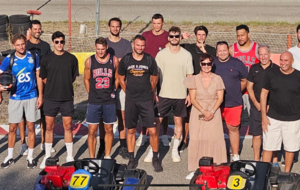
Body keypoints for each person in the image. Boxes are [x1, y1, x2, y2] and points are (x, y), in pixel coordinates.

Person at [118, 35, 163, 172]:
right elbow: (120, 79)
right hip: (131, 100)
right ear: (133, 45)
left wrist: (149, 94)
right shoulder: (126, 59)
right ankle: (132, 158)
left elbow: (154, 80)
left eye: (142, 45)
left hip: (146, 101)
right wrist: (129, 92)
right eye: (138, 45)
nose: (140, 48)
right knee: (131, 130)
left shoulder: (149, 59)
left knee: (153, 130)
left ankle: (156, 158)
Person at [0, 34, 42, 168]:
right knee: (12, 128)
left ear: (26, 43)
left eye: (23, 44)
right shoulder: (9, 59)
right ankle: (10, 156)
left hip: (31, 96)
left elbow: (38, 76)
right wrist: (1, 88)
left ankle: (30, 156)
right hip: (15, 97)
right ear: (14, 46)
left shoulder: (33, 57)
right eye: (18, 45)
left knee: (31, 127)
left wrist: (40, 95)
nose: (21, 47)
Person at [39, 31, 79, 169]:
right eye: (57, 42)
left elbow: (73, 77)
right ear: (53, 43)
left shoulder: (71, 59)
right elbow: (43, 78)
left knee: (68, 126)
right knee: (49, 127)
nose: (60, 44)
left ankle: (69, 156)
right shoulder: (46, 59)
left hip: (67, 98)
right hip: (50, 98)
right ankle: (47, 156)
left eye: (62, 41)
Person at [184, 53, 226, 180]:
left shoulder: (218, 78)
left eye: (209, 64)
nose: (206, 66)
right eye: (204, 64)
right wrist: (204, 111)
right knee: (197, 138)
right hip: (198, 111)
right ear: (200, 64)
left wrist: (212, 111)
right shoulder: (193, 79)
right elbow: (193, 98)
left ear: (212, 64)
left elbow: (220, 98)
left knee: (214, 137)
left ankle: (216, 167)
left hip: (214, 110)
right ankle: (195, 168)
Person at [155, 26, 193, 162]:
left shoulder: (186, 55)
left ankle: (175, 150)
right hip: (163, 94)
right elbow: (155, 75)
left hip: (180, 95)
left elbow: (189, 76)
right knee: (157, 122)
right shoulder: (161, 54)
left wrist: (189, 94)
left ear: (180, 38)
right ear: (168, 37)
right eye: (172, 36)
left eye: (177, 36)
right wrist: (154, 92)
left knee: (178, 122)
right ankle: (154, 150)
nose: (174, 38)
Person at [16, 20, 54, 156]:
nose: (38, 31)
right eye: (35, 29)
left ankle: (44, 142)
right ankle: (23, 143)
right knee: (23, 117)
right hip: (26, 86)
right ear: (30, 30)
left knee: (44, 114)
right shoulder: (25, 46)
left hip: (42, 85)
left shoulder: (45, 46)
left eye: (39, 29)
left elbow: (50, 64)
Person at [261, 51, 300, 172]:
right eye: (281, 60)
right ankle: (263, 174)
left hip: (293, 119)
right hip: (272, 117)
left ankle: (287, 174)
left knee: (290, 148)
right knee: (268, 147)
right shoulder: (271, 73)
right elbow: (263, 94)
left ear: (292, 61)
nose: (283, 63)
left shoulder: (298, 76)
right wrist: (263, 117)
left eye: (286, 60)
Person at [180, 25, 216, 152]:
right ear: (195, 35)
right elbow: (169, 44)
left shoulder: (211, 50)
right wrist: (180, 37)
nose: (201, 37)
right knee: (188, 114)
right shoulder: (188, 48)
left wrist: (204, 50)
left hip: (206, 86)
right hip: (191, 84)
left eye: (203, 35)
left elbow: (213, 64)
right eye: (199, 35)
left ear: (206, 36)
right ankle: (185, 139)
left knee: (203, 113)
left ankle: (201, 139)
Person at [84, 37, 119, 159]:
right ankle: (92, 158)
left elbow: (117, 77)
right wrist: (91, 93)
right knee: (92, 130)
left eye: (102, 49)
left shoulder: (114, 60)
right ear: (95, 47)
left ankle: (107, 156)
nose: (100, 51)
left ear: (106, 48)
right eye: (98, 49)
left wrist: (112, 90)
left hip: (109, 100)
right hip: (95, 100)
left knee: (109, 128)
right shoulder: (90, 61)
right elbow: (86, 79)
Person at [139, 13, 170, 148]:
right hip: (147, 75)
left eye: (159, 23)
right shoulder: (145, 35)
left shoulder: (168, 35)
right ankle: (144, 134)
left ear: (163, 23)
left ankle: (163, 134)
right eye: (154, 23)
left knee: (163, 105)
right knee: (146, 105)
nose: (156, 26)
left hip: (163, 74)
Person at [214, 41, 248, 161]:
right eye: (220, 51)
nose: (222, 53)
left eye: (224, 50)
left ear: (228, 50)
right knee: (215, 129)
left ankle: (235, 155)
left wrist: (236, 91)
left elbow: (244, 80)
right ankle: (217, 153)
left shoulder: (237, 64)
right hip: (216, 104)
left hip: (233, 103)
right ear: (216, 53)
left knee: (233, 129)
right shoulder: (212, 63)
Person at [105, 17, 132, 159]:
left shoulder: (126, 44)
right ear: (109, 27)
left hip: (122, 85)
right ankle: (104, 146)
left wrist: (116, 61)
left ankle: (123, 146)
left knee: (122, 116)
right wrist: (118, 60)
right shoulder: (105, 43)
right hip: (105, 86)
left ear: (120, 28)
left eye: (117, 27)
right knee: (106, 117)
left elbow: (125, 63)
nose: (115, 29)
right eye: (113, 26)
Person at [247, 45, 279, 162]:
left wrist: (269, 104)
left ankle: (274, 161)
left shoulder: (276, 69)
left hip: (272, 108)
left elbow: (278, 89)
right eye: (261, 54)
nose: (263, 57)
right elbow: (249, 87)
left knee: (272, 135)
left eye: (265, 54)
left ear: (270, 54)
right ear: (258, 55)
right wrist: (256, 103)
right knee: (257, 134)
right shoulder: (253, 68)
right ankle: (256, 160)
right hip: (257, 107)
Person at [229, 24, 259, 116]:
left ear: (248, 35)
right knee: (235, 119)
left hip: (252, 89)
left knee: (254, 117)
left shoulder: (257, 48)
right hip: (237, 90)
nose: (240, 38)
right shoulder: (232, 49)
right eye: (238, 35)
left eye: (242, 35)